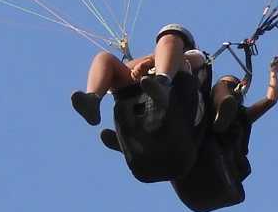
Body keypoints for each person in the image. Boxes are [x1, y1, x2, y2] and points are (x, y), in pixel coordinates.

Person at [70, 24, 212, 183]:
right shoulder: (157, 58)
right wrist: (142, 67)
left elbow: (193, 60)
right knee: (104, 58)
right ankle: (93, 99)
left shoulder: (195, 56)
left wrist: (151, 61)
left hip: (182, 105)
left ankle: (163, 84)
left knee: (175, 51)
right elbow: (127, 71)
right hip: (148, 147)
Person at [170, 50, 278, 212]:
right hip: (199, 181)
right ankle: (135, 139)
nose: (225, 86)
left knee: (219, 92)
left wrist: (273, 72)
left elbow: (270, 99)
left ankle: (222, 116)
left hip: (219, 174)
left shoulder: (242, 116)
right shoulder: (201, 108)